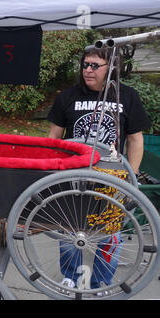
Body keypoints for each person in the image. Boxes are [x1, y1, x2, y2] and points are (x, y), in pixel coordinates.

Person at [47, 47, 151, 292]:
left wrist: (131, 176)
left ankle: (101, 282)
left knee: (109, 231)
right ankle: (70, 277)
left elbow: (136, 139)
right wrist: (53, 169)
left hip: (113, 176)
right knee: (70, 228)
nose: (88, 70)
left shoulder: (127, 97)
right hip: (75, 174)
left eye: (95, 65)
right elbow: (54, 137)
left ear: (111, 69)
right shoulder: (68, 97)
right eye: (85, 64)